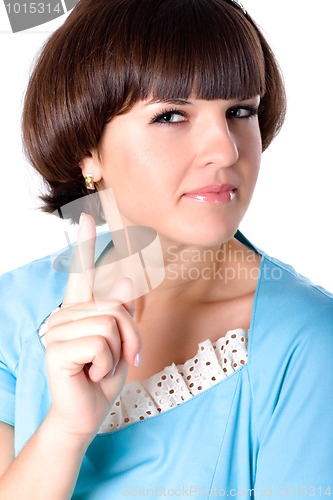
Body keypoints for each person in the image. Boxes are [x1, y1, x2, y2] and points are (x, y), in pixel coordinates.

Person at [0, 0, 332, 498]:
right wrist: (65, 433)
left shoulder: (305, 342)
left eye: (240, 111)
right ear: (87, 151)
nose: (227, 149)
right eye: (172, 115)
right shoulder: (15, 309)